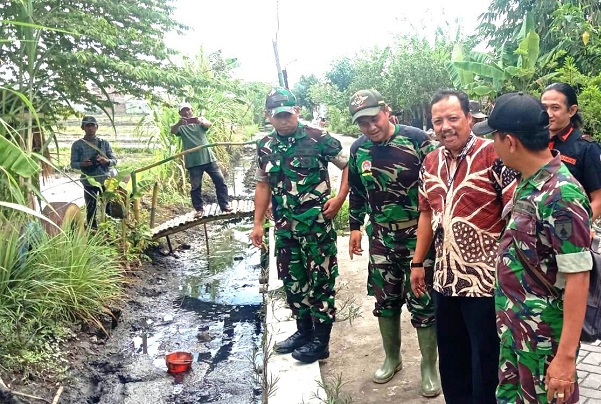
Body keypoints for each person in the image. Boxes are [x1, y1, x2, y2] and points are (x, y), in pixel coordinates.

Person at [473, 92, 592, 404]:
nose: (492, 146)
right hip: (517, 331)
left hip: (544, 342)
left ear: (510, 142)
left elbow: (579, 276)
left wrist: (565, 359)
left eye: (494, 138)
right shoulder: (529, 181)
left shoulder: (561, 194)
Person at [410, 89, 518, 404]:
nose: (445, 126)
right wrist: (418, 263)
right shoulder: (430, 161)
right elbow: (426, 212)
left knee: (485, 363)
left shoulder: (494, 155)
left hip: (486, 284)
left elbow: (514, 216)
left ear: (469, 118)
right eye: (438, 120)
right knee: (453, 361)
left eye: (453, 118)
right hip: (444, 281)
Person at [347, 89, 441, 397]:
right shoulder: (359, 149)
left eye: (374, 118)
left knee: (423, 301)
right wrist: (355, 227)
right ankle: (393, 358)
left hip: (419, 236)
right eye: (363, 123)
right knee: (385, 301)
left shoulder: (417, 140)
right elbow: (357, 191)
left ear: (386, 111)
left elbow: (439, 185)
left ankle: (429, 366)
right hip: (381, 239)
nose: (370, 126)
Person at [250, 87, 349, 364]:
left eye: (288, 114)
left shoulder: (319, 139)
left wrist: (340, 198)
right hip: (284, 228)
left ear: (297, 111)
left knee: (321, 283)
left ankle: (321, 341)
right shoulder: (265, 146)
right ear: (268, 116)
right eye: (277, 115)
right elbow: (262, 183)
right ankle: (304, 332)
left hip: (316, 227)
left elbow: (349, 165)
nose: (284, 120)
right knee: (294, 283)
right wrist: (257, 224)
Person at [541, 83, 601, 220]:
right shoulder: (535, 143)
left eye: (555, 108)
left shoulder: (586, 148)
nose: (549, 114)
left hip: (569, 229)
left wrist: (579, 229)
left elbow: (600, 201)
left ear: (572, 111)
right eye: (544, 108)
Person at [171, 102, 232, 218]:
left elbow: (209, 124)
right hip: (193, 162)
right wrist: (179, 123)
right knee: (195, 187)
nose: (186, 113)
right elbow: (173, 131)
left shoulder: (200, 121)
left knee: (220, 181)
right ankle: (199, 209)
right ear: (180, 113)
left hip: (208, 158)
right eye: (183, 111)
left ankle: (224, 205)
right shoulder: (181, 127)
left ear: (192, 110)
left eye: (188, 110)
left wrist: (201, 121)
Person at [70, 116, 117, 228]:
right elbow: (73, 164)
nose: (91, 128)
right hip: (88, 181)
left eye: (93, 125)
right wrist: (82, 164)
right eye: (88, 125)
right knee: (91, 207)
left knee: (108, 206)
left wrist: (106, 161)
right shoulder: (77, 145)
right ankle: (92, 229)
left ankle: (109, 229)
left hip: (105, 180)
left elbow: (114, 160)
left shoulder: (104, 143)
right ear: (83, 127)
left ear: (97, 127)